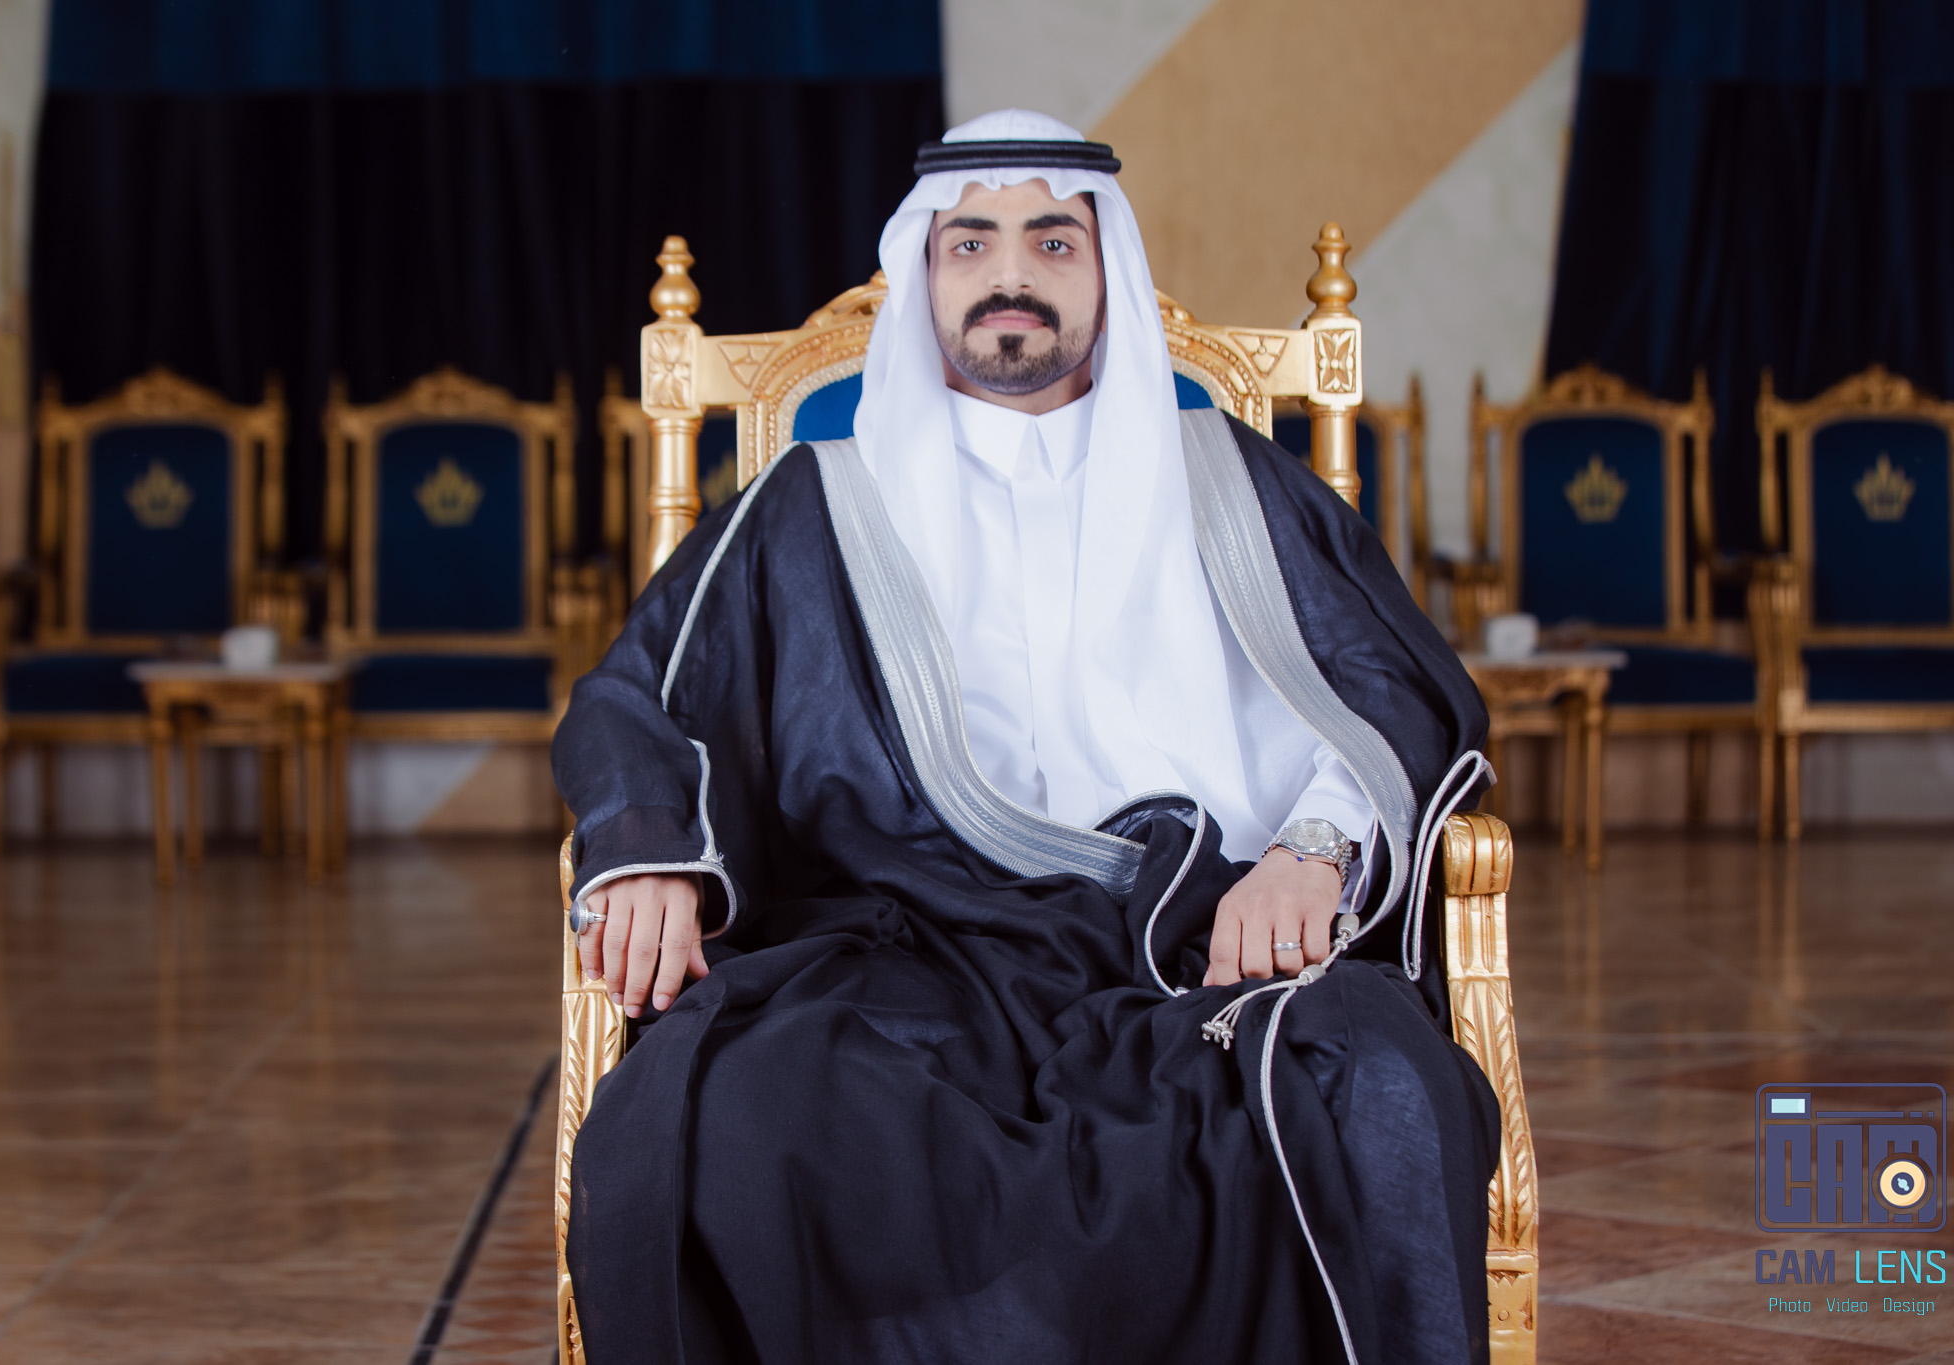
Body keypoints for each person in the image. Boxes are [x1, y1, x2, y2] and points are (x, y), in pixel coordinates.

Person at [555, 109, 1501, 1365]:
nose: (1010, 275)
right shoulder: (814, 501)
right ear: (924, 275)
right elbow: (642, 694)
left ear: (1107, 273)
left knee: (1374, 1082)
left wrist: (1312, 851)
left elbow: (1392, 686)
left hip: (1197, 940)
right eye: (970, 244)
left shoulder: (1232, 481)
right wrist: (650, 851)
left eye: (1052, 242)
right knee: (735, 1113)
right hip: (901, 945)